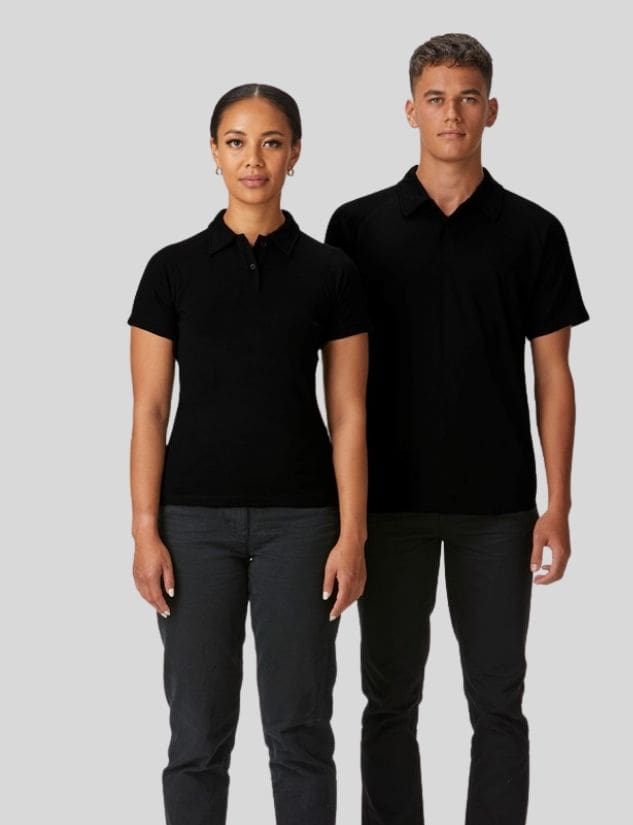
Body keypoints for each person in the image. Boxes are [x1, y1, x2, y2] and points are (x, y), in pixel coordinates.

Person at [325, 33, 589, 825]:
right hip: (388, 505)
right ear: (410, 110)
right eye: (436, 98)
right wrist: (344, 515)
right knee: (388, 700)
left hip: (498, 507)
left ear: (492, 110)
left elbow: (553, 375)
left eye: (468, 98)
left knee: (498, 702)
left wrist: (558, 503)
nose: (452, 114)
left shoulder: (533, 231)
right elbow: (337, 384)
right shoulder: (357, 228)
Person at [128, 83, 369, 825]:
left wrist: (352, 535)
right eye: (236, 142)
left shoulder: (331, 272)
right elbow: (149, 409)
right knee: (197, 736)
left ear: (295, 154)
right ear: (213, 152)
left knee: (300, 733)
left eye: (270, 142)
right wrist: (145, 530)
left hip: (304, 524)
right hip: (191, 524)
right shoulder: (171, 270)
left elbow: (350, 412)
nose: (253, 158)